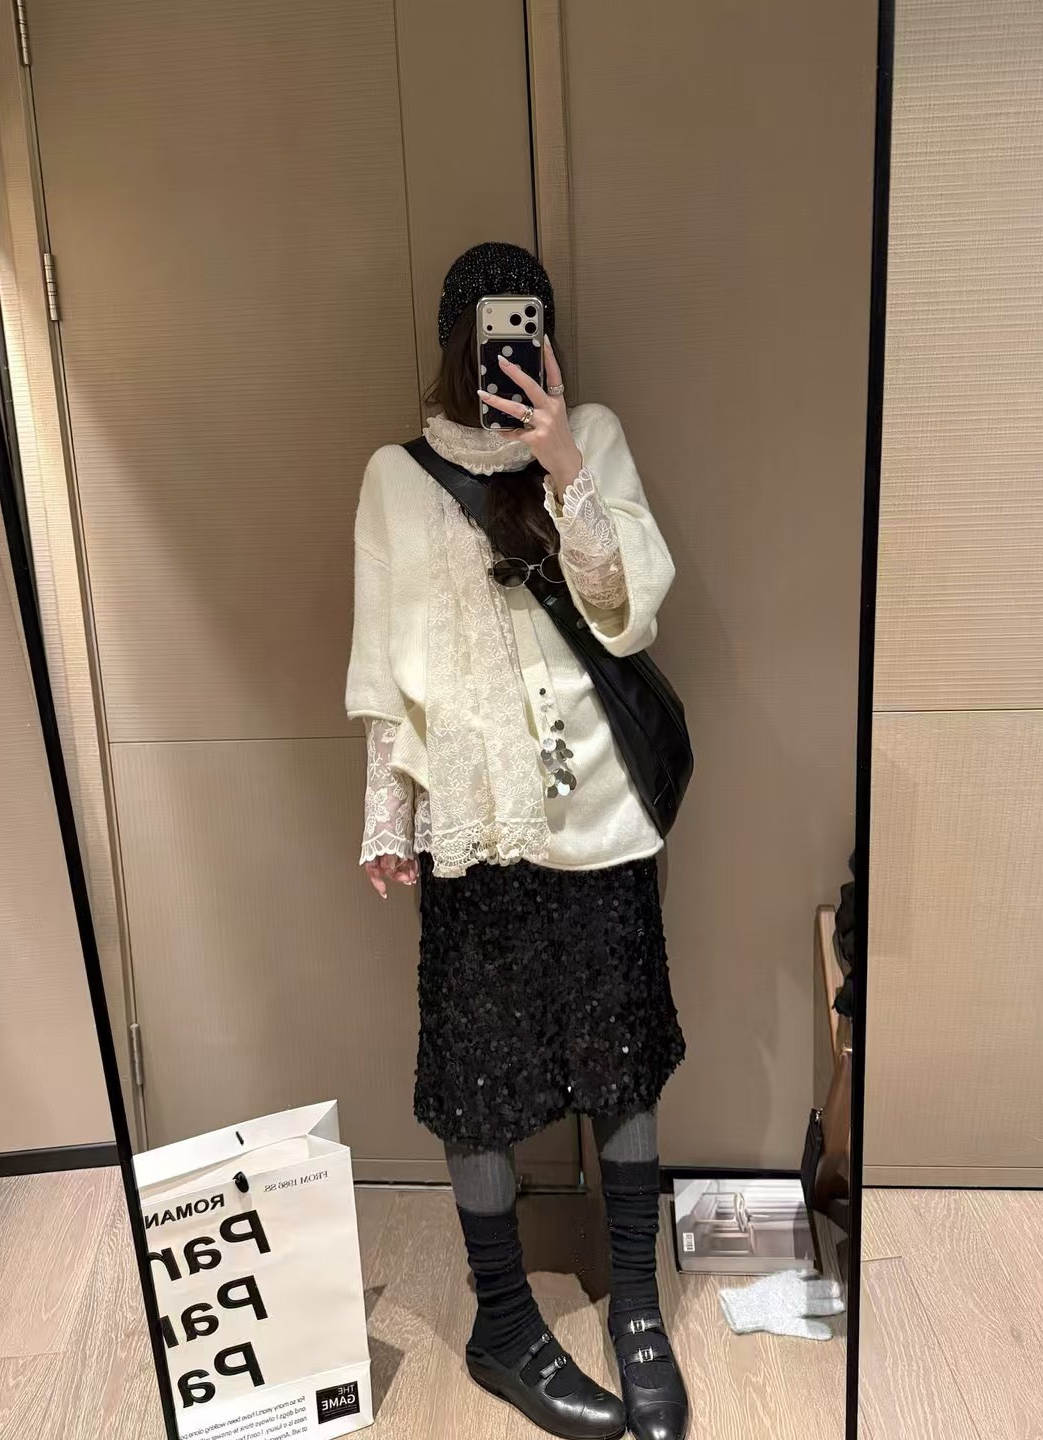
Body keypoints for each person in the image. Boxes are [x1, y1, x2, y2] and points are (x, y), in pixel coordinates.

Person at [346, 242, 689, 1440]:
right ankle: (502, 1322)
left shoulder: (588, 434)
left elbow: (628, 609)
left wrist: (563, 466)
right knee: (478, 1076)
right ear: (461, 339)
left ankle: (635, 1303)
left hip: (598, 810)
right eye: (494, 330)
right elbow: (384, 660)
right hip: (478, 821)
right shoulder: (395, 477)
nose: (512, 349)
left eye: (528, 325)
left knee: (621, 1054)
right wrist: (387, 815)